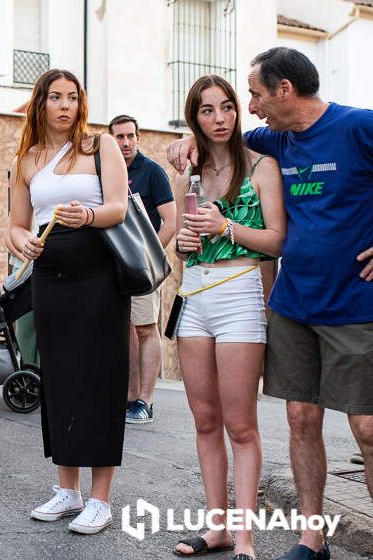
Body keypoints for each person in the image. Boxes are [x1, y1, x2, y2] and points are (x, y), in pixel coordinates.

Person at [167, 47, 373, 560]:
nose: (250, 107)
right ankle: (312, 539)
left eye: (255, 95)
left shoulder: (358, 127)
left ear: (285, 90)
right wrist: (184, 140)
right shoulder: (270, 140)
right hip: (294, 305)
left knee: (367, 428)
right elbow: (217, 137)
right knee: (302, 420)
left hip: (358, 304)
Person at [6, 69, 129, 534]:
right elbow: (16, 223)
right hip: (49, 278)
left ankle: (102, 498)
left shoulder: (101, 146)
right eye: (54, 97)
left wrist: (89, 214)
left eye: (71, 97)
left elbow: (118, 205)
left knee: (99, 378)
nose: (63, 105)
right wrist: (21, 242)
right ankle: (67, 490)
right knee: (58, 378)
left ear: (82, 103)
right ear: (40, 103)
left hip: (99, 278)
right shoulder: (27, 157)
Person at [171, 75, 285, 560]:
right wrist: (183, 242)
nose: (219, 119)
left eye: (226, 108)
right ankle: (216, 528)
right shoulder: (188, 176)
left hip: (240, 295)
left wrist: (228, 227)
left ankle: (244, 537)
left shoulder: (262, 167)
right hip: (195, 295)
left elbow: (277, 241)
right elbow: (179, 242)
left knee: (241, 425)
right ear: (194, 117)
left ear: (238, 112)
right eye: (207, 111)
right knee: (204, 420)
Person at [108, 114, 176, 424]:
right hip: (113, 267)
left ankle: (145, 401)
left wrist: (147, 258)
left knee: (146, 329)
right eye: (118, 137)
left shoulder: (152, 172)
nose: (124, 142)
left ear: (138, 138)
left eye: (129, 136)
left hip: (143, 269)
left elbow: (171, 221)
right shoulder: (106, 171)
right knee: (123, 331)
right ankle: (128, 396)